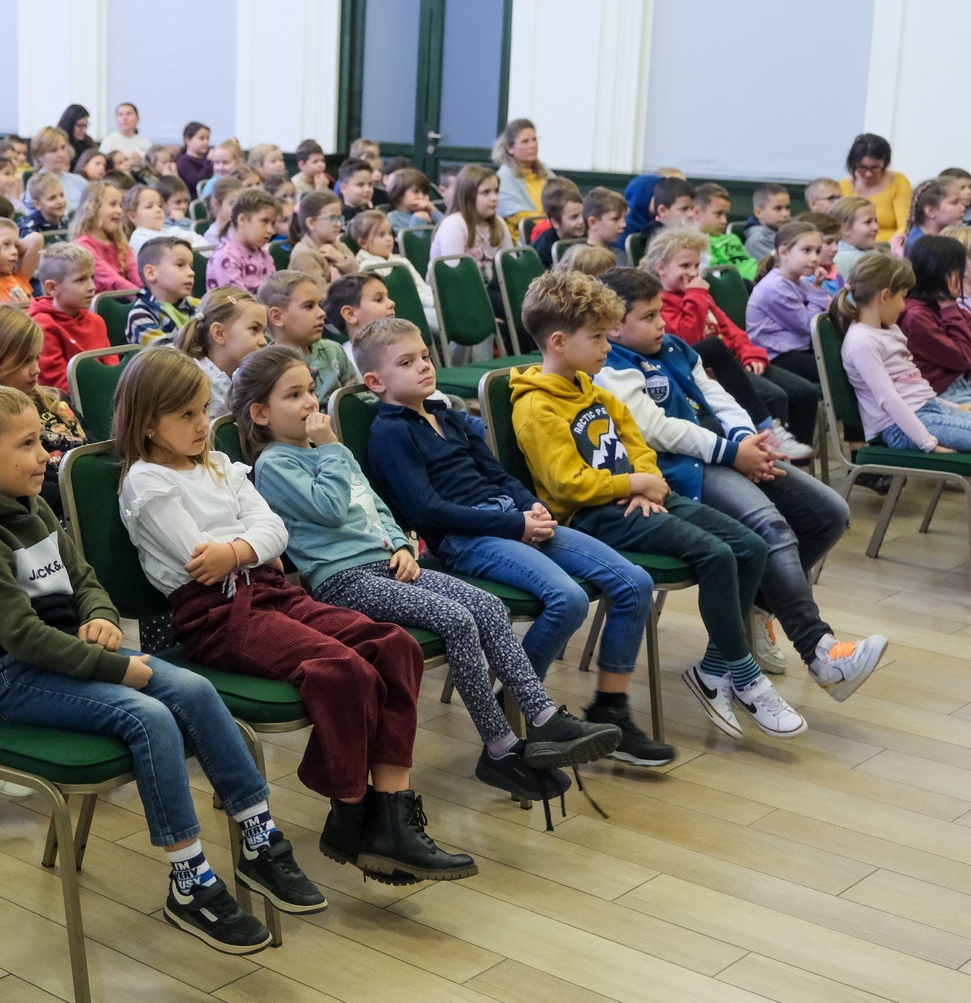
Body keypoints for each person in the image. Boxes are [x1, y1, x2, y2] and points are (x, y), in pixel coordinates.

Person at [0, 381, 319, 951]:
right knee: (149, 718)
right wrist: (113, 668)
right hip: (14, 676)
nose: (45, 455)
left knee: (195, 690)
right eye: (28, 445)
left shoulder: (31, 507)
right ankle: (189, 882)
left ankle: (260, 840)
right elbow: (22, 638)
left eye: (40, 441)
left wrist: (101, 618)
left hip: (73, 653)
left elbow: (84, 579)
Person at [112, 345, 476, 884]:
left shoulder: (221, 466)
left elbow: (275, 531)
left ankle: (394, 816)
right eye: (185, 414)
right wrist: (249, 548)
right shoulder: (147, 480)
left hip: (270, 592)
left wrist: (239, 550)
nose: (202, 424)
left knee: (394, 645)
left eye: (204, 410)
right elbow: (198, 561)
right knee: (343, 669)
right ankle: (350, 811)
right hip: (216, 617)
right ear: (146, 424)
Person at [232, 345, 619, 800]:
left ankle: (543, 717)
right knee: (457, 619)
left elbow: (375, 505)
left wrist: (401, 544)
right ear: (261, 414)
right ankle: (500, 747)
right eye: (293, 395)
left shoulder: (329, 452)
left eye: (309, 391)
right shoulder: (275, 464)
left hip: (387, 563)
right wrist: (333, 449)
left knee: (487, 607)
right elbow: (331, 509)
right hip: (343, 580)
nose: (309, 402)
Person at [355, 318, 669, 763]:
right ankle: (524, 710)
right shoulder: (391, 432)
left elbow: (498, 474)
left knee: (635, 582)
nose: (424, 366)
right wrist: (515, 525)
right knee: (568, 599)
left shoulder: (447, 414)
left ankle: (609, 708)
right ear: (375, 381)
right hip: (467, 538)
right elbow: (426, 511)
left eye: (424, 356)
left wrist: (531, 507)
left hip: (512, 518)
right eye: (407, 363)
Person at [511, 268, 807, 740]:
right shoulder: (535, 406)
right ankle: (748, 678)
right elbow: (566, 486)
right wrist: (633, 482)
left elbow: (637, 441)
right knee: (716, 555)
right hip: (594, 516)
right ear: (560, 342)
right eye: (597, 337)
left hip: (641, 497)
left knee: (751, 546)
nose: (607, 346)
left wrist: (645, 480)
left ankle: (715, 671)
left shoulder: (593, 388)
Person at [597, 267, 888, 694]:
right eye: (649, 316)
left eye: (661, 312)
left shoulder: (673, 347)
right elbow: (656, 430)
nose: (662, 323)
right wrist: (733, 453)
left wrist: (743, 439)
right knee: (770, 526)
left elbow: (718, 397)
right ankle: (820, 652)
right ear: (613, 326)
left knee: (830, 512)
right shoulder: (609, 365)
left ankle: (757, 605)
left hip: (719, 451)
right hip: (675, 472)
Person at [642, 228, 817, 460]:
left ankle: (802, 466)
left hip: (731, 364)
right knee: (775, 396)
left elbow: (730, 330)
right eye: (685, 266)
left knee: (805, 392)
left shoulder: (699, 294)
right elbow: (686, 339)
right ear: (661, 268)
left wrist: (750, 353)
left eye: (696, 266)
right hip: (702, 372)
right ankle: (771, 451)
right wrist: (695, 296)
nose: (693, 272)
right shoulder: (662, 302)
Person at [0, 306, 86, 515]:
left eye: (37, 358)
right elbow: (27, 489)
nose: (37, 369)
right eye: (24, 361)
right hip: (57, 509)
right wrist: (86, 487)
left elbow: (94, 445)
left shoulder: (54, 399)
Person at [838, 252, 971, 452]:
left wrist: (955, 408)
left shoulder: (890, 328)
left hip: (929, 412)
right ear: (884, 296)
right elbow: (888, 398)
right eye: (902, 297)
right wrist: (928, 443)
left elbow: (914, 386)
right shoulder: (861, 342)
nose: (904, 305)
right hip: (901, 428)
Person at [745, 221, 830, 384]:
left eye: (818, 251)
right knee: (833, 370)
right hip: (775, 355)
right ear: (784, 252)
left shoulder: (801, 284)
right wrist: (818, 289)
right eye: (807, 250)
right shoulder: (775, 287)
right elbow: (809, 326)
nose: (815, 258)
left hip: (798, 349)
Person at [260, 270, 357, 402]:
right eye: (309, 306)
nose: (322, 313)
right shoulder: (264, 367)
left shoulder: (333, 351)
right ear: (277, 317)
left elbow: (364, 402)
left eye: (319, 305)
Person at [27, 242, 107, 393]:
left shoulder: (97, 322)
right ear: (52, 288)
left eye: (92, 277)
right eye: (81, 280)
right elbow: (59, 385)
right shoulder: (42, 325)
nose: (92, 286)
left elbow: (112, 367)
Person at [177, 286, 267, 420]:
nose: (264, 341)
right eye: (254, 329)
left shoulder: (252, 378)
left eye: (263, 332)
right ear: (219, 333)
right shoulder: (192, 381)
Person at [901, 235, 971, 402]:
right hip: (944, 394)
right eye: (959, 269)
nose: (963, 275)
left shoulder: (937, 304)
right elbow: (963, 359)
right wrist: (950, 307)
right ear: (944, 274)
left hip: (961, 385)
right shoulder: (916, 316)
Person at [351, 211, 438, 329]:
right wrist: (435, 303)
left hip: (424, 306)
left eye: (390, 233)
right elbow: (407, 298)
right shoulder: (367, 268)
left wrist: (437, 300)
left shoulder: (402, 262)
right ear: (363, 243)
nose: (389, 239)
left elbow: (422, 288)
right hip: (401, 315)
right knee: (448, 318)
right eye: (381, 235)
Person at [429, 164, 513, 284]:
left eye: (496, 191)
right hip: (454, 289)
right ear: (468, 196)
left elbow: (510, 263)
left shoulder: (498, 222)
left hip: (483, 287)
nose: (494, 198)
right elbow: (455, 275)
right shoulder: (454, 224)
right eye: (486, 192)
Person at [72, 181, 142, 292]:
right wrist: (142, 297)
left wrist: (151, 292)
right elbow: (112, 280)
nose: (120, 210)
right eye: (113, 204)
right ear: (93, 208)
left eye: (120, 205)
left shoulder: (119, 242)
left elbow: (134, 273)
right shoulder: (83, 245)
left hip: (128, 297)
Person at [840, 133, 911, 243]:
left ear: (885, 164)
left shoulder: (898, 182)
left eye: (875, 168)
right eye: (862, 167)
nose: (868, 174)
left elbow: (904, 226)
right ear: (853, 164)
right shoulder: (843, 186)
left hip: (888, 246)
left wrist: (887, 247)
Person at [127, 237, 198, 345]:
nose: (191, 273)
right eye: (180, 265)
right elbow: (167, 354)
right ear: (151, 273)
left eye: (191, 266)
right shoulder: (140, 317)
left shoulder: (198, 305)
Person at [205, 189, 279, 293]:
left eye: (273, 223)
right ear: (242, 219)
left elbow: (275, 293)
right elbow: (237, 300)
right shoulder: (226, 257)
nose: (271, 230)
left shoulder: (265, 256)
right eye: (264, 221)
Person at [491, 118, 553, 238]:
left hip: (551, 230)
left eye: (534, 139)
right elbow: (519, 217)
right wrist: (554, 221)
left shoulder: (544, 171)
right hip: (523, 240)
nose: (532, 145)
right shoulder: (503, 178)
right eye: (525, 142)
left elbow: (563, 198)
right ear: (510, 148)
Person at [288, 191, 358, 283]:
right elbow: (318, 291)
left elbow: (358, 273)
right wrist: (338, 283)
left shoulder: (337, 244)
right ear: (311, 223)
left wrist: (341, 259)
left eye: (339, 218)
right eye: (332, 218)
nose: (338, 224)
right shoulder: (303, 255)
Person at [693, 183, 758, 281]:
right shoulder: (698, 243)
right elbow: (713, 275)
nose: (724, 221)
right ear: (697, 213)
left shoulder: (732, 237)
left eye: (726, 215)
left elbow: (749, 263)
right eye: (718, 214)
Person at [901, 178, 966, 254]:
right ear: (930, 211)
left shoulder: (948, 237)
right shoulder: (918, 247)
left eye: (961, 202)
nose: (963, 208)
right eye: (954, 202)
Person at [530, 178, 584, 269]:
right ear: (555, 222)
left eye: (583, 215)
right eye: (574, 217)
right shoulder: (542, 249)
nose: (582, 221)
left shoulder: (587, 236)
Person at [28, 127, 87, 210]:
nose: (61, 154)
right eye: (53, 150)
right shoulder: (35, 186)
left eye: (63, 147)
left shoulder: (79, 181)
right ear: (39, 156)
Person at [830, 194, 881, 279]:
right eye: (868, 222)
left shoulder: (872, 252)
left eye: (875, 221)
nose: (876, 227)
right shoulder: (841, 260)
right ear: (845, 228)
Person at [636, 177, 696, 247]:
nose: (691, 214)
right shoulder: (654, 237)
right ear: (662, 211)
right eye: (684, 209)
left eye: (692, 208)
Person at [581, 187, 630, 267]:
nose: (623, 224)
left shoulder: (620, 254)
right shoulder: (581, 259)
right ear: (593, 223)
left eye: (624, 218)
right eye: (615, 219)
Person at [743, 183, 792, 260]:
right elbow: (781, 264)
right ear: (758, 212)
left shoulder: (782, 232)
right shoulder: (758, 240)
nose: (785, 214)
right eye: (778, 208)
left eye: (787, 207)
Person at [384, 167, 440, 233]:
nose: (421, 196)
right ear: (399, 195)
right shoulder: (393, 217)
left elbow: (446, 229)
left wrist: (433, 210)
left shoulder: (429, 212)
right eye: (416, 192)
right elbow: (410, 239)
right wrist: (418, 219)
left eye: (424, 193)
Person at [334, 158, 377, 224]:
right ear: (344, 188)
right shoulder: (339, 220)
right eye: (360, 185)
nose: (367, 189)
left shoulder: (374, 213)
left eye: (370, 184)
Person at [176, 122, 213, 199]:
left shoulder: (206, 156)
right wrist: (209, 161)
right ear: (188, 140)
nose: (206, 142)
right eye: (201, 138)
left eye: (207, 138)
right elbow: (197, 182)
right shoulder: (183, 162)